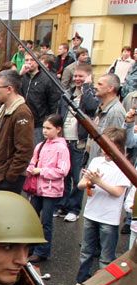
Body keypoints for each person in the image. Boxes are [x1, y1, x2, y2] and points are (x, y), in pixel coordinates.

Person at [72, 127, 132, 285]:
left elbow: (117, 192)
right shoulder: (96, 161)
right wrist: (90, 181)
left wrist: (97, 181)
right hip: (91, 214)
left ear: (119, 148)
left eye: (110, 147)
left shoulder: (124, 166)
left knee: (106, 257)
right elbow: (81, 184)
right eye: (104, 147)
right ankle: (81, 282)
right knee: (86, 252)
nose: (105, 151)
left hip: (109, 219)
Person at [56, 63, 99, 222]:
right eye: (76, 76)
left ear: (88, 76)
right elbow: (60, 113)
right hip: (64, 139)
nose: (77, 79)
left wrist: (87, 86)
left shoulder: (92, 94)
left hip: (79, 142)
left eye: (81, 76)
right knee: (64, 175)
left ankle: (74, 208)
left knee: (76, 176)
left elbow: (91, 107)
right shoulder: (68, 93)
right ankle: (63, 205)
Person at [25, 114, 70, 263]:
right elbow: (33, 161)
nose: (44, 131)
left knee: (46, 222)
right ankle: (30, 247)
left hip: (51, 190)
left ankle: (42, 251)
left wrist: (41, 171)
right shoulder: (40, 145)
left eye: (48, 128)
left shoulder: (62, 148)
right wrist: (31, 169)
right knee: (32, 218)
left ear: (58, 129)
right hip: (37, 188)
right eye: (44, 127)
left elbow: (63, 171)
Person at [0, 70, 34, 193]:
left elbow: (25, 149)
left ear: (9, 89)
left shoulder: (21, 112)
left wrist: (11, 175)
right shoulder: (3, 108)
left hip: (7, 178)